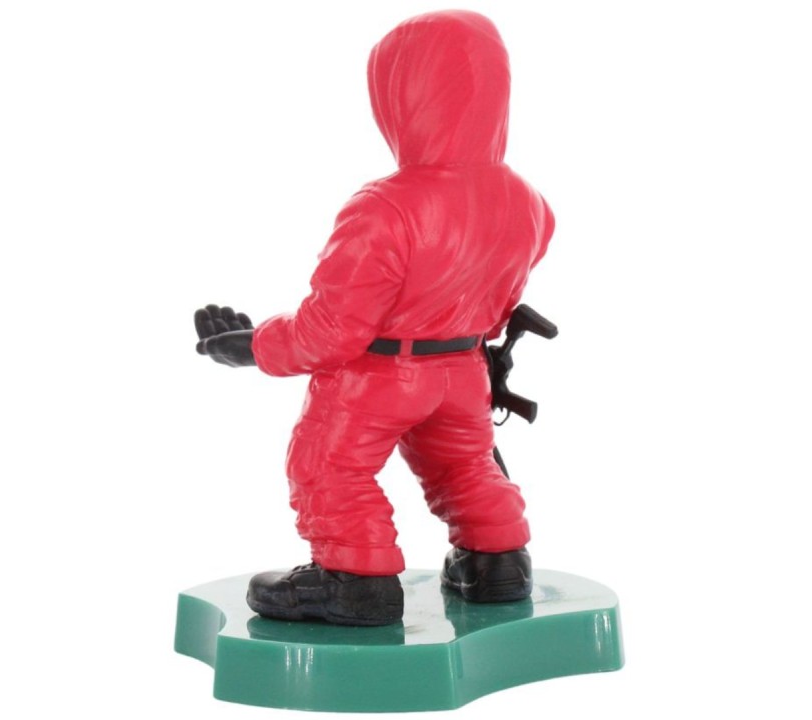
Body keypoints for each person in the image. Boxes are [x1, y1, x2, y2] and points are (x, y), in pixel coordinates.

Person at [195, 10, 553, 626]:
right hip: (464, 371)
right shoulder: (528, 201)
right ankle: (498, 563)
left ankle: (354, 581)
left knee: (329, 467)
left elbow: (332, 331)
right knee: (465, 466)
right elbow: (499, 305)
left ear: (403, 96)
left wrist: (252, 345)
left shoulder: (385, 207)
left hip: (379, 376)